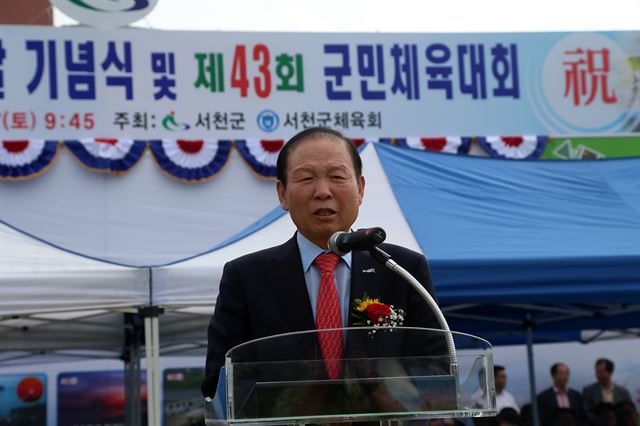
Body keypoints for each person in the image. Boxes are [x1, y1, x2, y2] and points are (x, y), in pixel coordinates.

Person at [201, 127, 442, 400]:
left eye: (337, 177)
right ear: (282, 193)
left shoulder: (402, 269)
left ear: (360, 189)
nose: (323, 191)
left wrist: (388, 396)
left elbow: (436, 367)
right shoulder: (245, 277)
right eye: (306, 178)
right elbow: (218, 381)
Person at [582, 358, 632, 425]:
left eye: (601, 372)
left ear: (610, 373)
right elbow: (586, 412)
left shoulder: (623, 393)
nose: (598, 375)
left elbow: (629, 414)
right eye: (597, 372)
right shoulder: (588, 391)